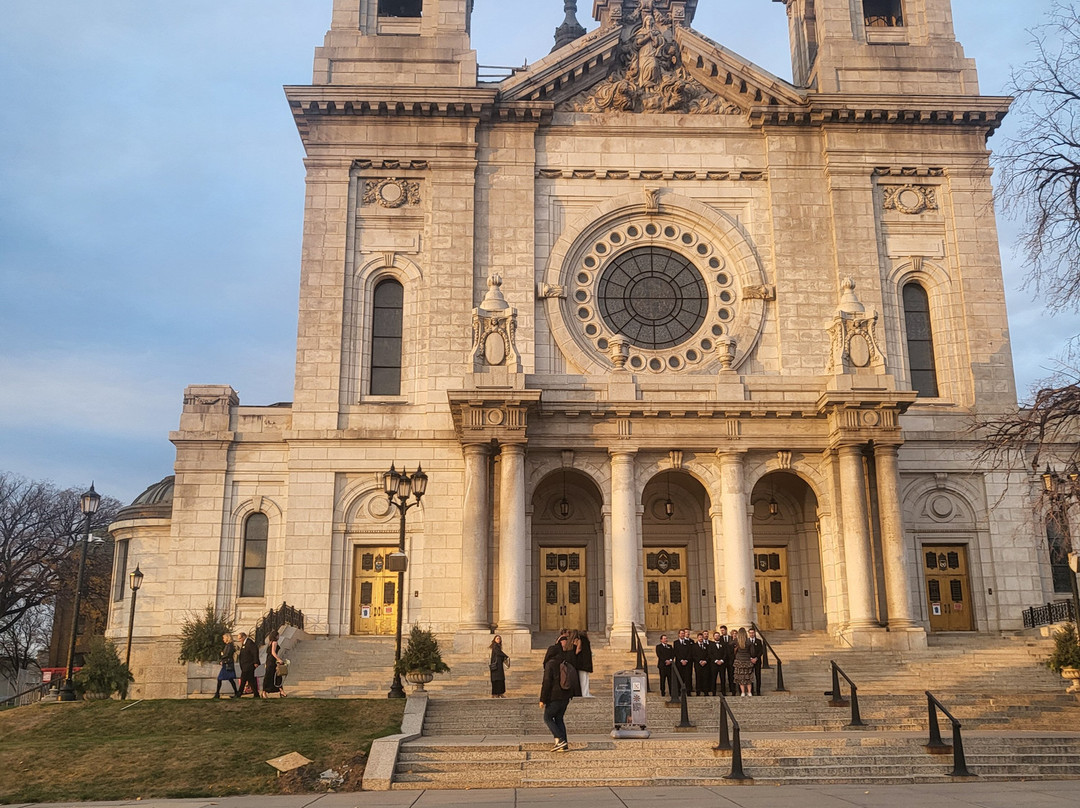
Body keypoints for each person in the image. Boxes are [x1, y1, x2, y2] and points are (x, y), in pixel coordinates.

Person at [539, 634, 580, 752]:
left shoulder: (550, 664)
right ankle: (564, 743)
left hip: (554, 697)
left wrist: (542, 699)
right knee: (559, 718)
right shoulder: (564, 662)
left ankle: (560, 739)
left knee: (547, 718)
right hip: (565, 696)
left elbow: (546, 683)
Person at [213, 633, 239, 699]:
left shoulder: (229, 645)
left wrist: (222, 657)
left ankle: (217, 694)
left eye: (224, 638)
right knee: (230, 679)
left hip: (227, 664)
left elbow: (227, 654)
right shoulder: (229, 645)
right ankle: (236, 693)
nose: (223, 639)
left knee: (220, 678)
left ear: (227, 638)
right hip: (228, 663)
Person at [237, 631, 260, 698]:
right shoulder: (244, 644)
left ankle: (239, 693)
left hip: (249, 664)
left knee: (243, 679)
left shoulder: (250, 643)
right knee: (251, 680)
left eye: (240, 638)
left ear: (244, 637)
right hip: (245, 665)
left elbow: (255, 652)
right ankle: (256, 694)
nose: (239, 640)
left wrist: (256, 662)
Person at [263, 630, 285, 697]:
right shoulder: (274, 642)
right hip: (272, 661)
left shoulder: (270, 642)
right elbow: (273, 652)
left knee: (270, 676)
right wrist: (279, 659)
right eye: (278, 635)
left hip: (269, 660)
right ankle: (280, 690)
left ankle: (280, 690)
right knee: (276, 675)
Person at [733, 627, 754, 697]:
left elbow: (729, 644)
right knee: (748, 677)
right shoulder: (748, 641)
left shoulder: (737, 641)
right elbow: (752, 652)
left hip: (739, 661)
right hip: (747, 660)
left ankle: (742, 692)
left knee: (740, 677)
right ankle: (749, 692)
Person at [571, 630, 594, 698]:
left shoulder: (582, 640)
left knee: (584, 679)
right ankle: (585, 693)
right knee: (584, 679)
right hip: (583, 664)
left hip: (582, 664)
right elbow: (578, 650)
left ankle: (585, 693)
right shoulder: (582, 640)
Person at [673, 628, 694, 695]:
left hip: (687, 663)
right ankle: (679, 691)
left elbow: (690, 652)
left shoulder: (688, 642)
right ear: (679, 634)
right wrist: (681, 660)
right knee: (679, 676)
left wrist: (686, 660)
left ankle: (688, 691)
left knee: (687, 677)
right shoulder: (676, 643)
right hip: (679, 662)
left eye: (683, 633)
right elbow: (676, 652)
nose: (682, 635)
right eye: (681, 633)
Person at [747, 626, 765, 696]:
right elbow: (746, 651)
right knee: (750, 677)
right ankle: (751, 691)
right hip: (749, 661)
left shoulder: (759, 641)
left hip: (757, 661)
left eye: (753, 633)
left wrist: (756, 658)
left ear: (755, 633)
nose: (752, 634)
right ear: (748, 633)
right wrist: (750, 658)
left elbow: (761, 651)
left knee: (758, 676)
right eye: (750, 633)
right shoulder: (747, 641)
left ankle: (758, 691)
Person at [693, 632, 711, 696]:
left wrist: (705, 661)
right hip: (698, 664)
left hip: (705, 664)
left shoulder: (707, 645)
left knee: (705, 678)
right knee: (698, 678)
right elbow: (694, 655)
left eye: (702, 637)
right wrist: (700, 661)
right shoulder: (694, 646)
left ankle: (706, 691)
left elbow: (709, 654)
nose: (701, 638)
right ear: (697, 638)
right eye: (700, 637)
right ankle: (698, 691)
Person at [709, 631, 726, 697]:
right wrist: (716, 661)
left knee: (723, 678)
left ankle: (723, 692)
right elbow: (710, 654)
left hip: (722, 664)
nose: (717, 637)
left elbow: (725, 653)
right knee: (713, 678)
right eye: (715, 636)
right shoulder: (711, 645)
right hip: (714, 664)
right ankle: (713, 692)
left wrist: (722, 660)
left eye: (718, 636)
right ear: (713, 637)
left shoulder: (723, 644)